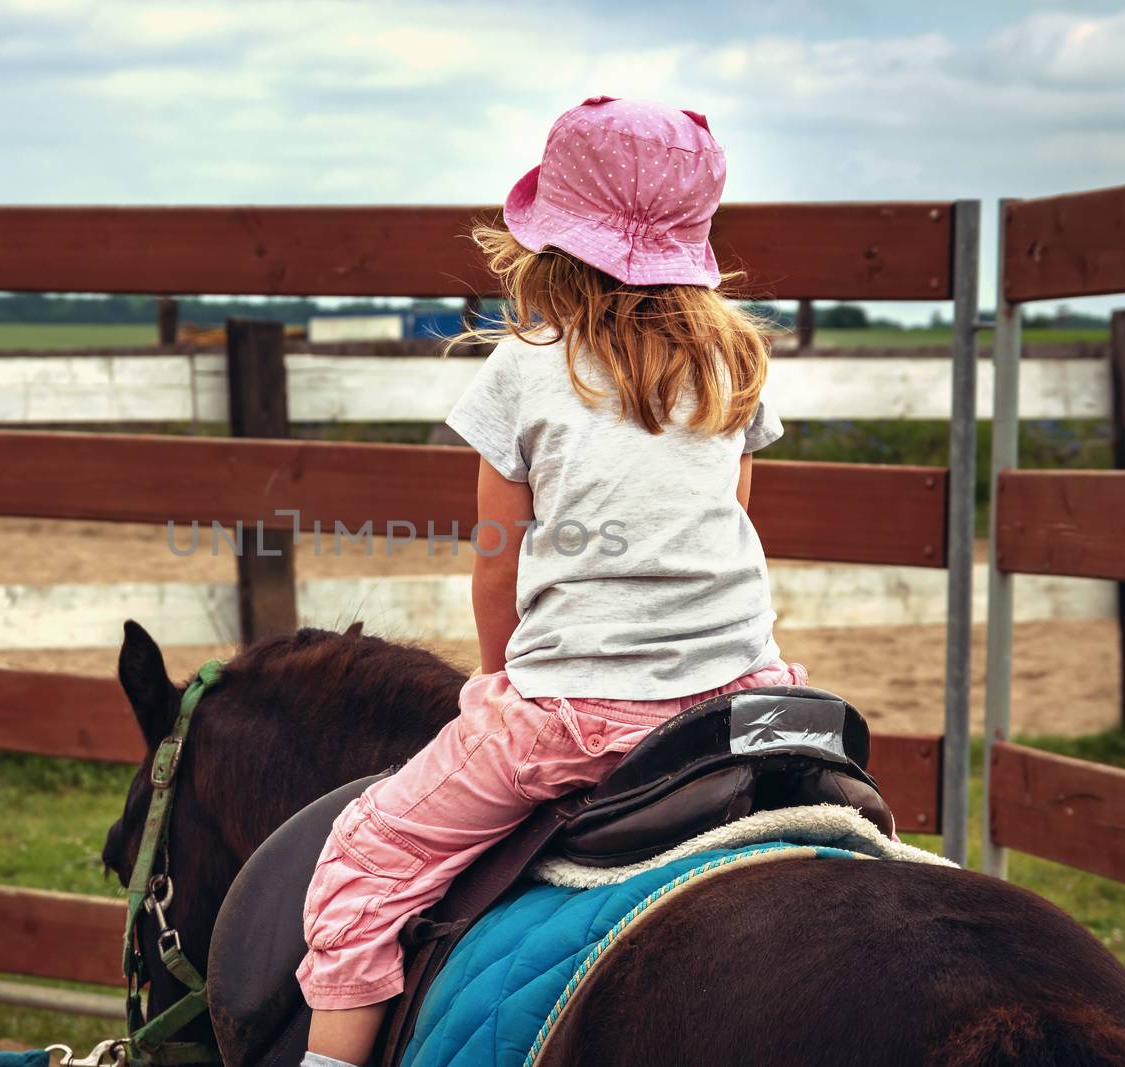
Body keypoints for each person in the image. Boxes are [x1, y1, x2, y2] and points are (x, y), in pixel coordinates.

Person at [298, 96, 802, 1067]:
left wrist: (497, 678)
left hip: (572, 708)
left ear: (553, 246)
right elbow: (735, 517)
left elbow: (500, 558)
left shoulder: (524, 370)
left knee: (366, 859)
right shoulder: (737, 359)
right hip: (748, 696)